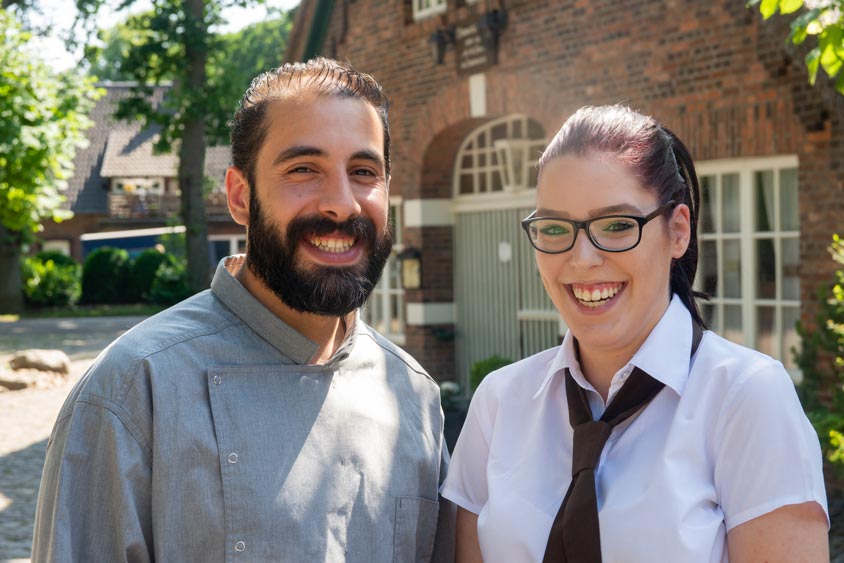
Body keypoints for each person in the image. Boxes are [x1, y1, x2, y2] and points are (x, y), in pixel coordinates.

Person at [32, 58, 454, 562]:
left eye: (364, 172)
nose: (342, 204)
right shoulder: (132, 391)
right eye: (304, 169)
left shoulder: (413, 394)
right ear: (240, 196)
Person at [441, 104, 828, 562]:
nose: (582, 258)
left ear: (678, 231)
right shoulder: (499, 403)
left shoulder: (746, 398)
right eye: (554, 228)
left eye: (617, 225)